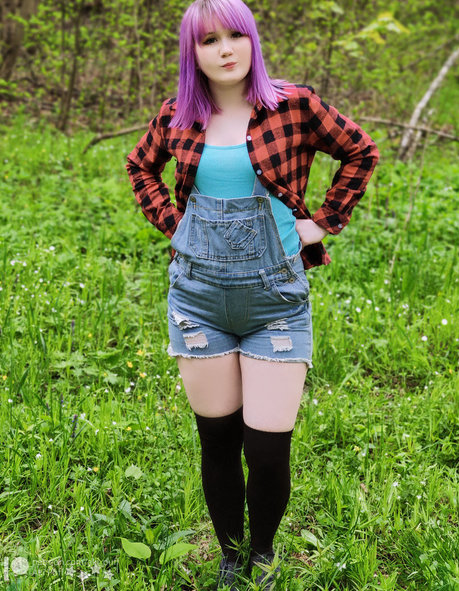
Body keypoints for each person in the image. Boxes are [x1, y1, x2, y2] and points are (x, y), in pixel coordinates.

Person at [126, 0, 379, 588]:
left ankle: (262, 554)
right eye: (209, 40)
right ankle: (230, 556)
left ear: (253, 40)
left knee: (266, 448)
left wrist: (322, 222)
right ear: (193, 53)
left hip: (275, 302)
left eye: (235, 35)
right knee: (217, 439)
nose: (225, 49)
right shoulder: (177, 115)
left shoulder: (294, 105)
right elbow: (140, 167)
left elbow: (360, 151)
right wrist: (175, 225)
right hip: (198, 301)